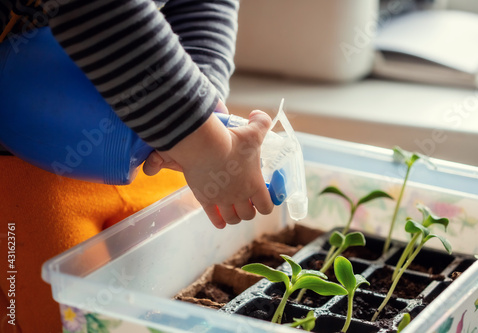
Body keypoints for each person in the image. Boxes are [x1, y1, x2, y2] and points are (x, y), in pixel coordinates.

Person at [0, 0, 274, 331]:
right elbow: (98, 10)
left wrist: (204, 102)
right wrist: (205, 142)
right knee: (57, 311)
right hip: (21, 158)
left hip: (150, 133)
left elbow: (204, 6)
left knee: (168, 284)